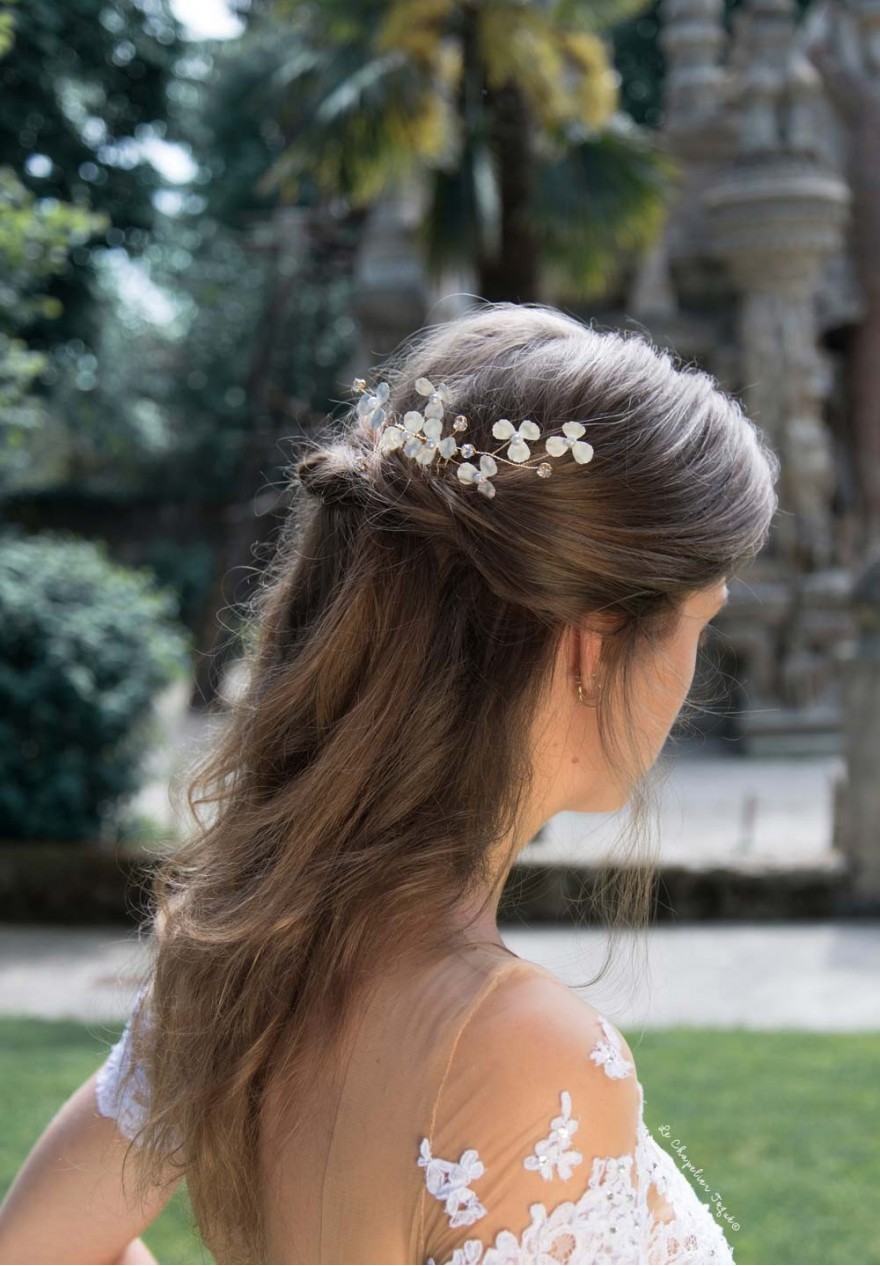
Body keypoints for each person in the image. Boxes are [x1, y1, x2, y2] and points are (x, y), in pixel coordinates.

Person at [0, 303, 779, 1265]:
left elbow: (33, 1248)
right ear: (593, 641)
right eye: (703, 623)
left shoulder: (243, 951)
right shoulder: (531, 1057)